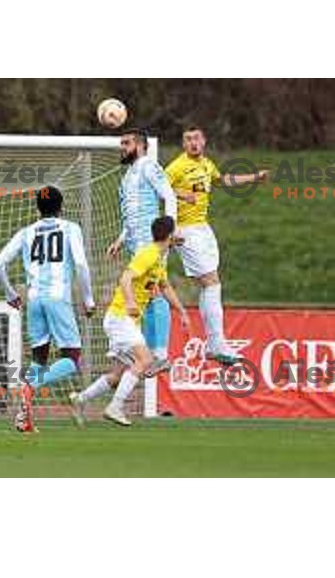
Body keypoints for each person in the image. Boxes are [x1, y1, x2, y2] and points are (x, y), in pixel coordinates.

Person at [0, 185, 95, 432]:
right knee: (71, 359)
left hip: (34, 298)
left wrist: (10, 294)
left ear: (38, 208)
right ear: (61, 207)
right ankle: (31, 386)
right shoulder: (71, 228)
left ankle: (23, 418)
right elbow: (81, 265)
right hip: (58, 297)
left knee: (39, 358)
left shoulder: (26, 232)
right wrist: (88, 299)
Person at [71, 216, 189, 426]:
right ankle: (115, 407)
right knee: (145, 360)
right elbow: (125, 277)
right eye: (175, 231)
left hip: (121, 319)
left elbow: (165, 287)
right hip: (121, 317)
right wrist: (131, 302)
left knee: (116, 375)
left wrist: (181, 311)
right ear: (169, 234)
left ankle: (80, 400)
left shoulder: (158, 258)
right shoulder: (149, 254)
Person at [165, 125, 268, 364]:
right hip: (185, 230)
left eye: (196, 138)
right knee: (211, 282)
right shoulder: (177, 166)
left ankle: (213, 343)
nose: (193, 142)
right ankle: (216, 343)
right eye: (188, 139)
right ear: (183, 144)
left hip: (203, 228)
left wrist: (253, 177)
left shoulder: (206, 164)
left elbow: (223, 180)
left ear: (204, 141)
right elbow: (158, 186)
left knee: (209, 285)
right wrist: (182, 195)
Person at [107, 128, 177, 375]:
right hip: (136, 244)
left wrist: (170, 230)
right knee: (144, 295)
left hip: (153, 240)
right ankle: (150, 350)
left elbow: (168, 195)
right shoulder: (127, 177)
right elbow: (131, 216)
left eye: (126, 143)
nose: (122, 148)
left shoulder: (149, 166)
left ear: (140, 145)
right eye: (121, 143)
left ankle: (161, 354)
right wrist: (120, 239)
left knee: (155, 291)